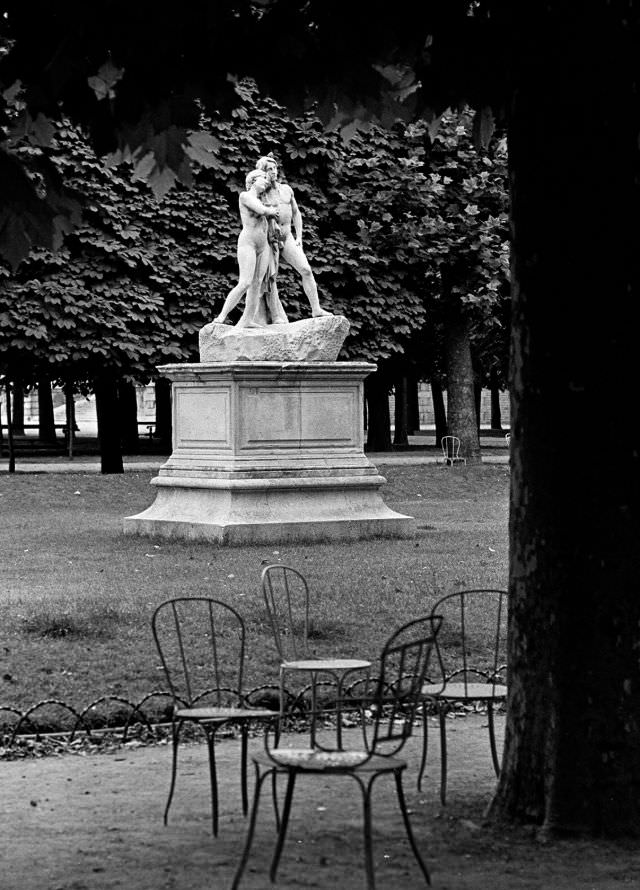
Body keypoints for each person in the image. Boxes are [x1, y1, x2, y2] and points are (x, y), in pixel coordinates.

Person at [255, 155, 332, 318]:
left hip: (287, 236)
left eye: (275, 168)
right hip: (270, 239)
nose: (273, 172)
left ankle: (316, 309)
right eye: (269, 169)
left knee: (306, 270)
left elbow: (296, 214)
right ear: (262, 172)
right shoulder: (261, 193)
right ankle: (263, 317)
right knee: (267, 279)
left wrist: (299, 237)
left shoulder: (286, 190)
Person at [213, 169, 281, 328]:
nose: (266, 181)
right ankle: (221, 317)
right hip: (248, 243)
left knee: (257, 284)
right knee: (244, 282)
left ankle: (248, 320)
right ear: (253, 181)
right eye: (263, 178)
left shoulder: (261, 199)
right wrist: (272, 210)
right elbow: (262, 210)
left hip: (262, 246)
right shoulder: (245, 196)